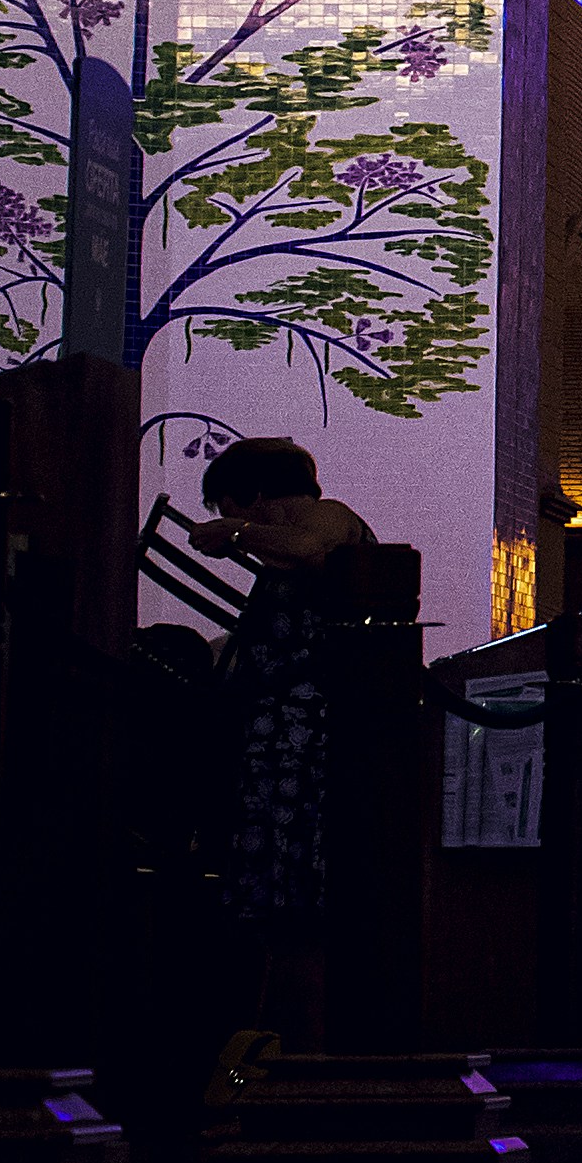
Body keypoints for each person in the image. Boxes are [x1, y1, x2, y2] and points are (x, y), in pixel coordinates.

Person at [194, 433, 373, 1037]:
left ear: (255, 495)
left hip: (306, 741)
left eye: (228, 506)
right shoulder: (289, 549)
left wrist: (235, 534)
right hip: (280, 741)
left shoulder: (329, 518)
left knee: (298, 889)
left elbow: (309, 546)